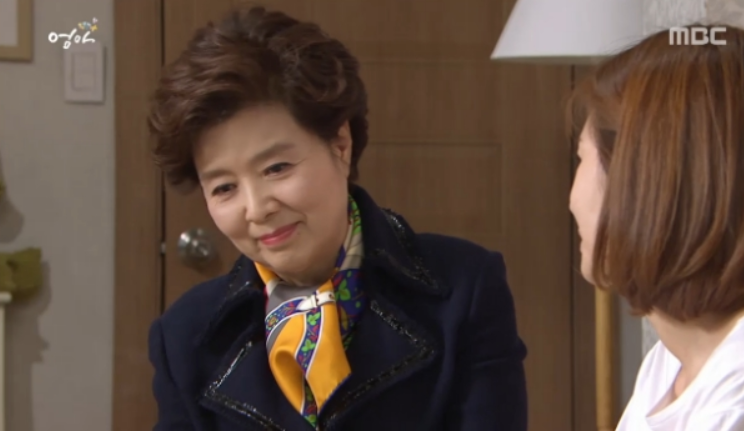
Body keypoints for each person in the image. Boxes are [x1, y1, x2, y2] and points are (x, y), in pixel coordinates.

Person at [146, 5, 527, 431]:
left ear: (340, 144)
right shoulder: (184, 335)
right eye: (224, 188)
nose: (256, 208)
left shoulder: (464, 288)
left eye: (276, 168)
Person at [568, 24, 744, 431]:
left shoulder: (731, 410)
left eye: (581, 158)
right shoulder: (670, 364)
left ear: (640, 181)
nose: (571, 198)